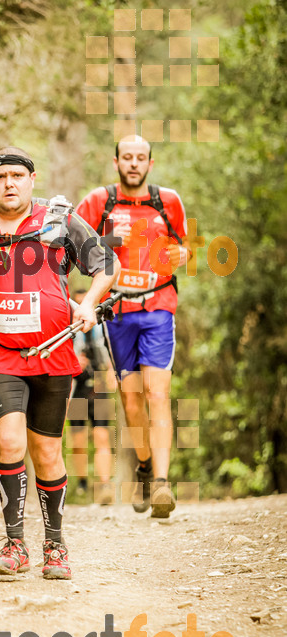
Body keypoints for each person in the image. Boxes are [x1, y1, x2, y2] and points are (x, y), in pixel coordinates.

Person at [0, 146, 120, 579]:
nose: (9, 183)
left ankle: (56, 547)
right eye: (1, 176)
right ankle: (15, 546)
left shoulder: (60, 220)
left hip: (54, 352)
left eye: (17, 175)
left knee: (47, 452)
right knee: (10, 442)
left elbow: (107, 263)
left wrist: (89, 303)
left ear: (32, 180)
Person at [76, 135, 191, 518]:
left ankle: (161, 483)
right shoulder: (99, 201)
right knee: (131, 400)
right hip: (117, 310)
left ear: (150, 164)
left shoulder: (168, 201)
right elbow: (68, 248)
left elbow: (184, 249)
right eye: (127, 157)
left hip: (159, 308)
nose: (134, 164)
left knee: (158, 395)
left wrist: (182, 254)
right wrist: (107, 239)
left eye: (141, 158)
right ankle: (144, 467)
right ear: (116, 162)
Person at [68, 288, 114, 504]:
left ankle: (105, 485)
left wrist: (112, 371)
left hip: (100, 386)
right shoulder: (68, 332)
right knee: (78, 441)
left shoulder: (103, 327)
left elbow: (112, 354)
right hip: (77, 388)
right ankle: (83, 482)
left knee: (102, 436)